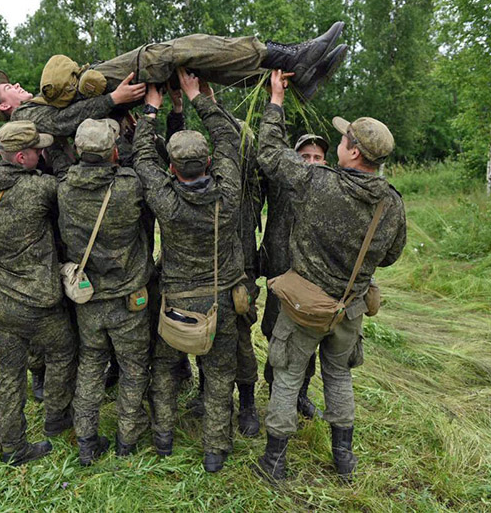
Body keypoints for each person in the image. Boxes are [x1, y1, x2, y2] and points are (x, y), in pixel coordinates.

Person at [254, 70, 406, 482]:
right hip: (350, 307)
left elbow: (269, 152)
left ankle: (274, 460)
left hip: (304, 307)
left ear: (354, 153)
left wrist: (276, 101)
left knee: (286, 377)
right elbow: (390, 256)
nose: (338, 144)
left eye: (342, 140)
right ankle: (344, 457)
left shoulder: (319, 184)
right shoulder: (391, 204)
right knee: (338, 376)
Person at [133, 68, 245, 473]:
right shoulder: (229, 195)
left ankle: (163, 437)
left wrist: (151, 110)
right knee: (219, 374)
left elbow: (143, 155)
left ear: (173, 169)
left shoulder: (165, 199)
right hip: (222, 300)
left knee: (163, 368)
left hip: (175, 301)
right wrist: (201, 99)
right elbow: (230, 140)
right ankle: (215, 449)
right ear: (209, 163)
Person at [0, 24, 349, 136]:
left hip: (103, 94)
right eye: (8, 89)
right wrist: (114, 100)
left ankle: (289, 79)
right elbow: (65, 122)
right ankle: (284, 56)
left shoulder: (33, 107)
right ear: (5, 106)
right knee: (166, 54)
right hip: (107, 99)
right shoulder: (22, 120)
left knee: (188, 67)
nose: (15, 85)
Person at [0, 121, 79, 466]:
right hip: (38, 301)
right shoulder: (37, 190)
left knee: (10, 374)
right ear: (21, 157)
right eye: (37, 149)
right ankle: (55, 418)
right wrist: (62, 154)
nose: (42, 152)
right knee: (64, 350)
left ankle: (12, 447)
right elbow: (68, 186)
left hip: (3, 301)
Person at [55, 118, 155, 465]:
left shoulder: (64, 188)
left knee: (91, 365)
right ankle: (127, 438)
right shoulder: (128, 186)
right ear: (113, 151)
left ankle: (86, 440)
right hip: (129, 299)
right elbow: (141, 162)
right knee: (133, 368)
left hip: (88, 298)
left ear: (79, 152)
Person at [260, 133, 330, 420]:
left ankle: (299, 393)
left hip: (313, 282)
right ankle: (276, 391)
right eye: (304, 157)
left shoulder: (330, 189)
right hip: (281, 277)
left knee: (306, 339)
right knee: (275, 335)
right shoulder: (282, 183)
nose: (311, 163)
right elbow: (271, 152)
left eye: (317, 157)